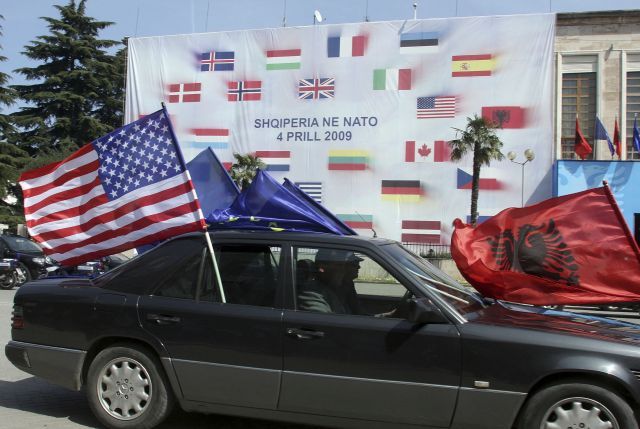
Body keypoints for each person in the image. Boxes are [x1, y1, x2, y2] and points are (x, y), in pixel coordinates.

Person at [296, 249, 362, 314]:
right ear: (322, 268)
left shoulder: (335, 287)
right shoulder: (311, 291)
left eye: (344, 265)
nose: (343, 270)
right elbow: (322, 319)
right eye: (339, 265)